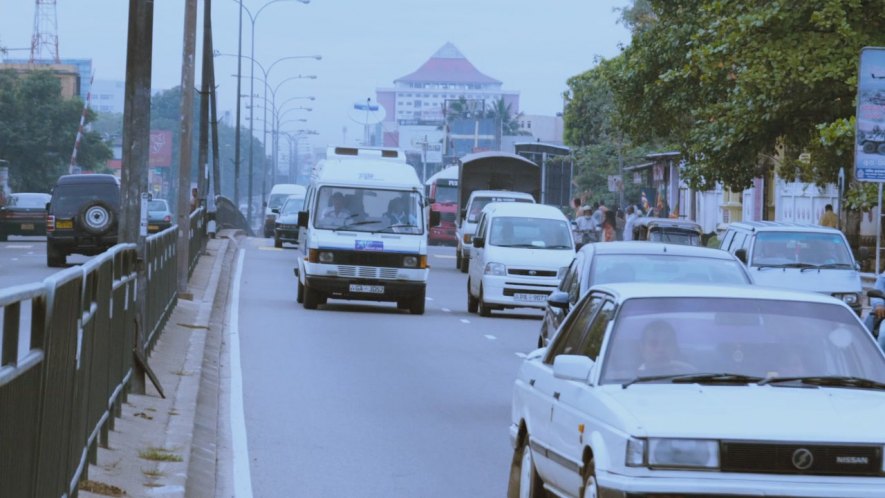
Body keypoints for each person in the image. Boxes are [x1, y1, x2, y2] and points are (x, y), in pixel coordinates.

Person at [864, 273, 885, 351]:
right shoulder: (883, 278)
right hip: (883, 314)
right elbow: (878, 291)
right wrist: (879, 305)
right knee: (883, 336)